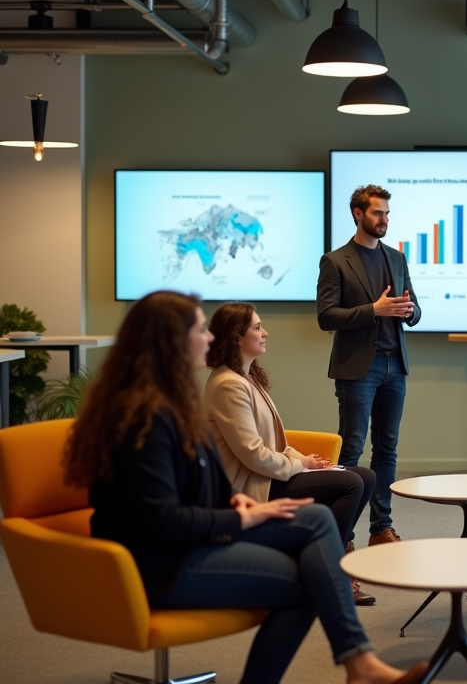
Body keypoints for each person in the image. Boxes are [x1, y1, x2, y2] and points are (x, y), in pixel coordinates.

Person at [63, 291, 426, 684]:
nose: (208, 338)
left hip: (188, 544)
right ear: (170, 341)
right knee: (312, 571)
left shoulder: (169, 403)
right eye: (200, 329)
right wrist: (240, 516)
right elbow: (165, 520)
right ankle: (359, 663)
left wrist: (232, 502)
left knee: (318, 523)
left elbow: (193, 482)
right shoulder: (144, 419)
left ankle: (359, 664)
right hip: (162, 564)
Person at [205, 302, 378, 605]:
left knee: (365, 475)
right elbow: (253, 455)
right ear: (236, 337)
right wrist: (300, 464)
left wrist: (306, 461)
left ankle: (329, 553)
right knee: (351, 483)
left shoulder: (247, 377)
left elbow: (272, 440)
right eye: (257, 328)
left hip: (269, 473)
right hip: (252, 485)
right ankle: (330, 569)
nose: (265, 333)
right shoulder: (227, 385)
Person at [316, 184, 421, 546]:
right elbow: (326, 316)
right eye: (377, 213)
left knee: (387, 450)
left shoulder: (396, 258)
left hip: (395, 366)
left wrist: (409, 311)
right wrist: (373, 310)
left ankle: (380, 528)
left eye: (387, 213)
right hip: (359, 368)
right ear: (358, 214)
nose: (384, 219)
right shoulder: (336, 261)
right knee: (352, 450)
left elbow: (416, 310)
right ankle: (342, 534)